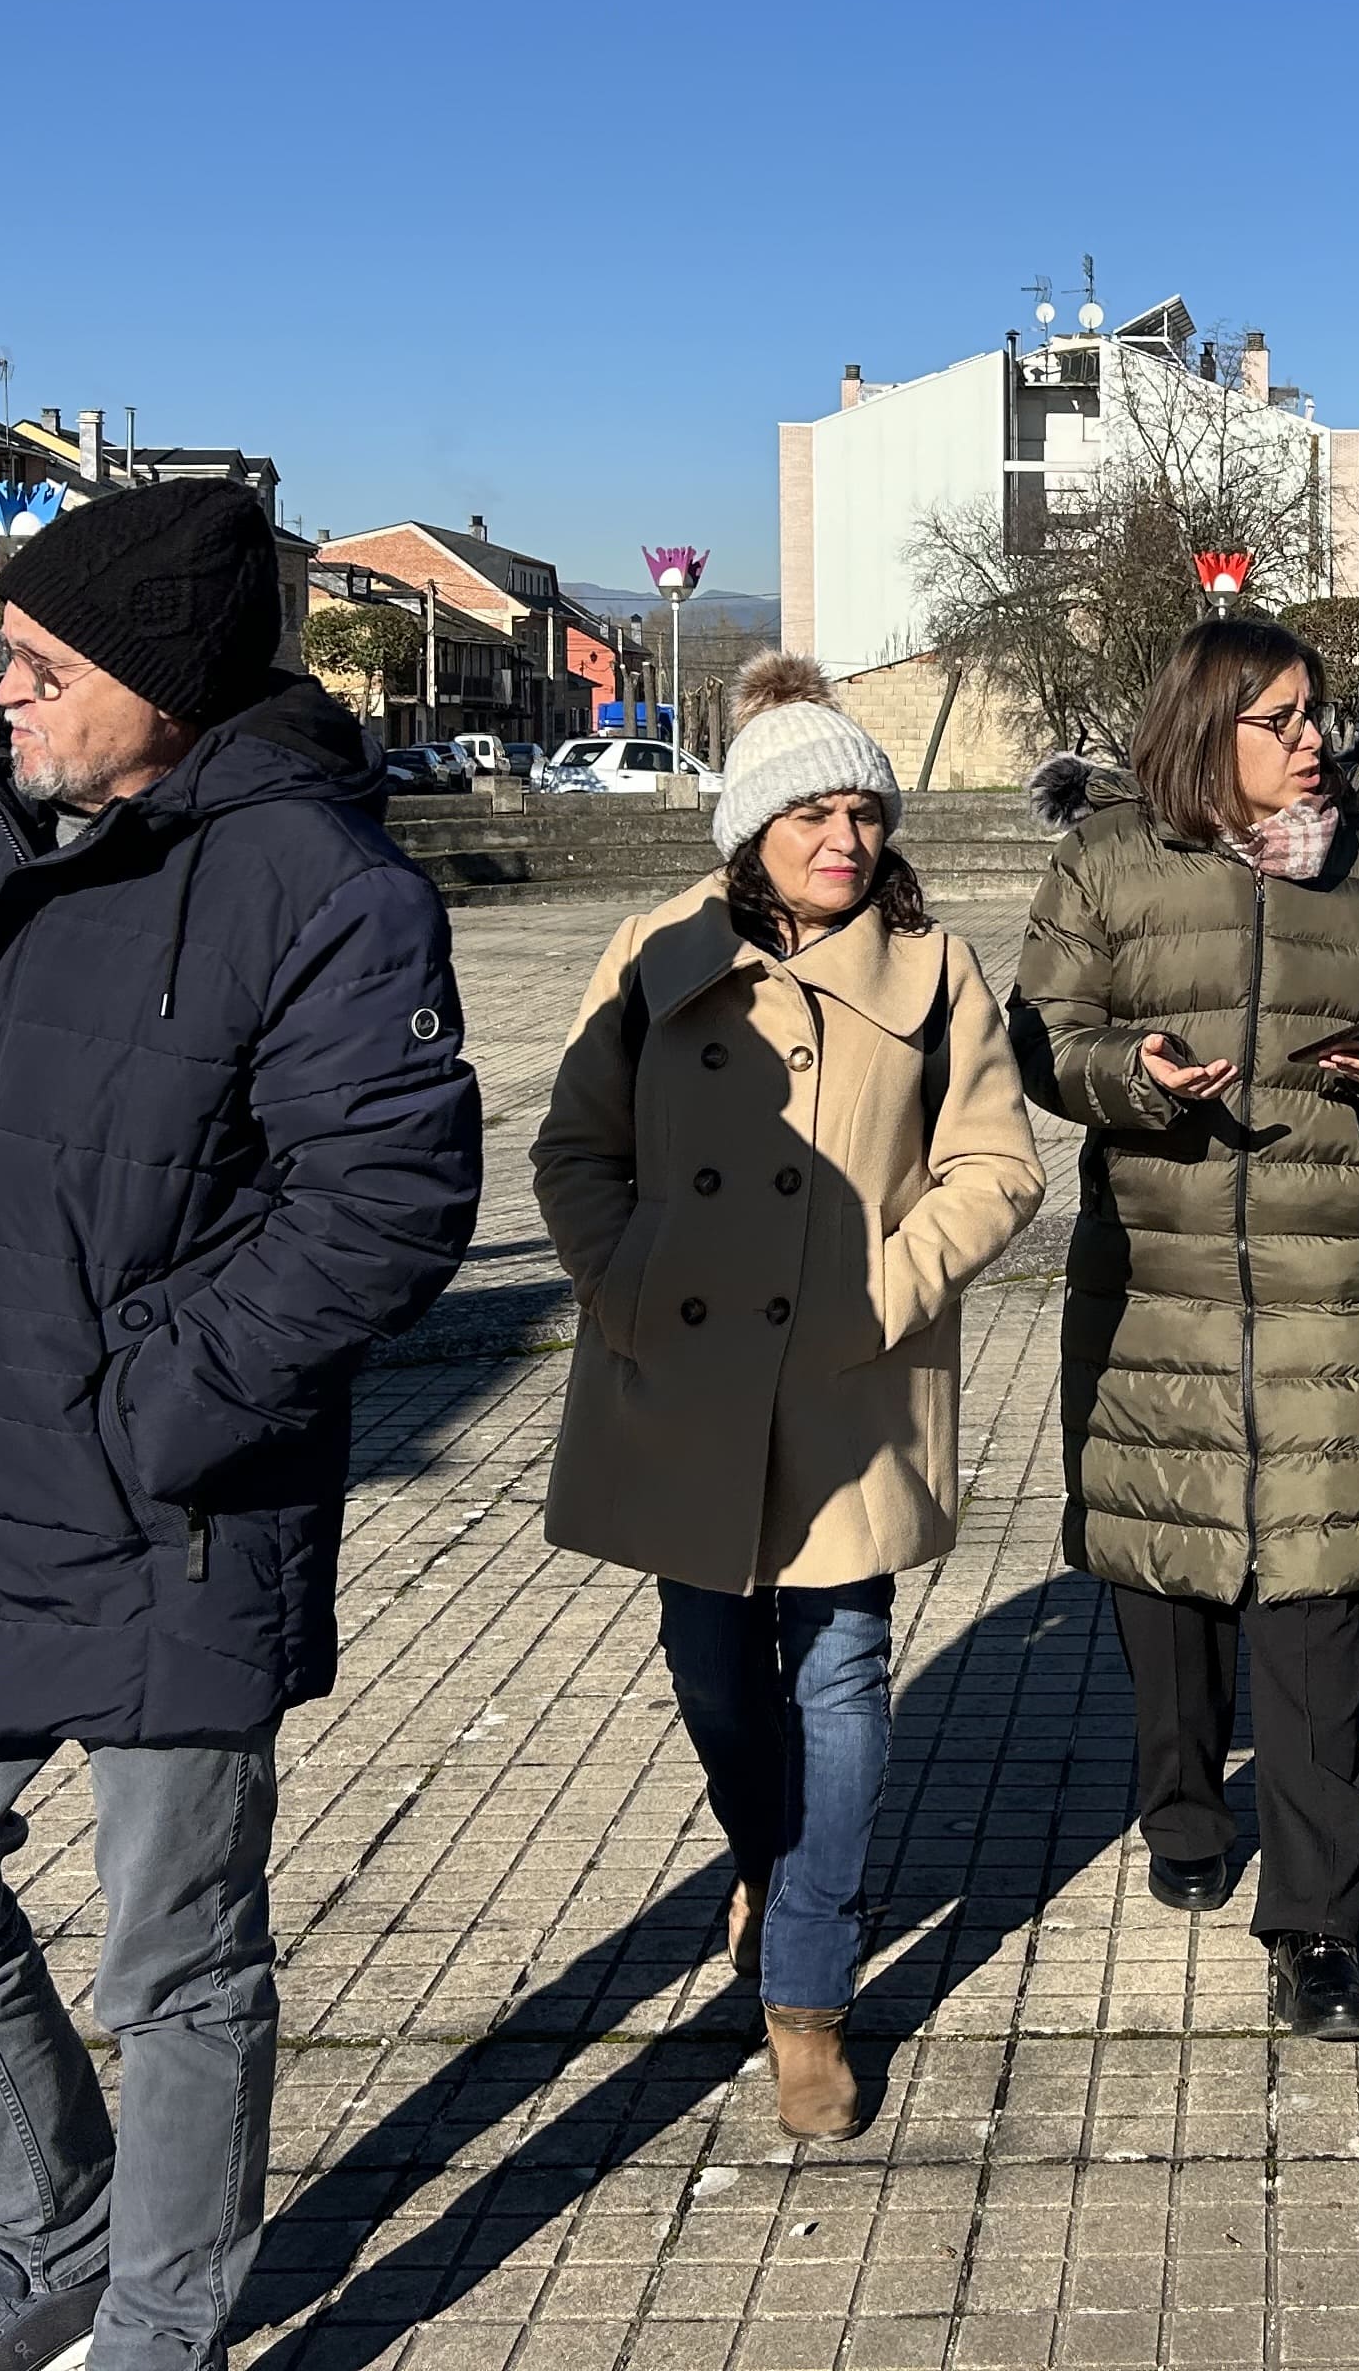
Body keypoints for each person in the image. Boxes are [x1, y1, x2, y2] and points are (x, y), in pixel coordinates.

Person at [0, 479, 481, 2371]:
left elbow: (390, 1198)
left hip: (176, 1502)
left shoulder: (322, 883)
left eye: (38, 661)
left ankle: (166, 2330)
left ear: (163, 680)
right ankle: (59, 2233)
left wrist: (155, 1400)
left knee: (175, 1954)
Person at [531, 655, 1042, 2141]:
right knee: (713, 1671)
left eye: (866, 811)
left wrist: (885, 1291)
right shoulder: (655, 948)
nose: (846, 838)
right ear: (749, 828)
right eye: (813, 811)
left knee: (839, 1675)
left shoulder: (929, 969)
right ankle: (767, 1861)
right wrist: (624, 1289)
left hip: (845, 1384)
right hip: (682, 1379)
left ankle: (808, 1994)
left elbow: (998, 1165)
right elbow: (575, 1150)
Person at [1010, 618, 1359, 2040]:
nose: (1313, 738)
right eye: (1280, 717)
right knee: (1167, 1591)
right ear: (1208, 727)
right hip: (1160, 1281)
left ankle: (1322, 1933)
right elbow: (1045, 1033)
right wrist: (1133, 1074)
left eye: (1315, 712)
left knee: (1317, 1614)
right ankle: (1183, 1804)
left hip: (1333, 1289)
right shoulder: (1106, 862)